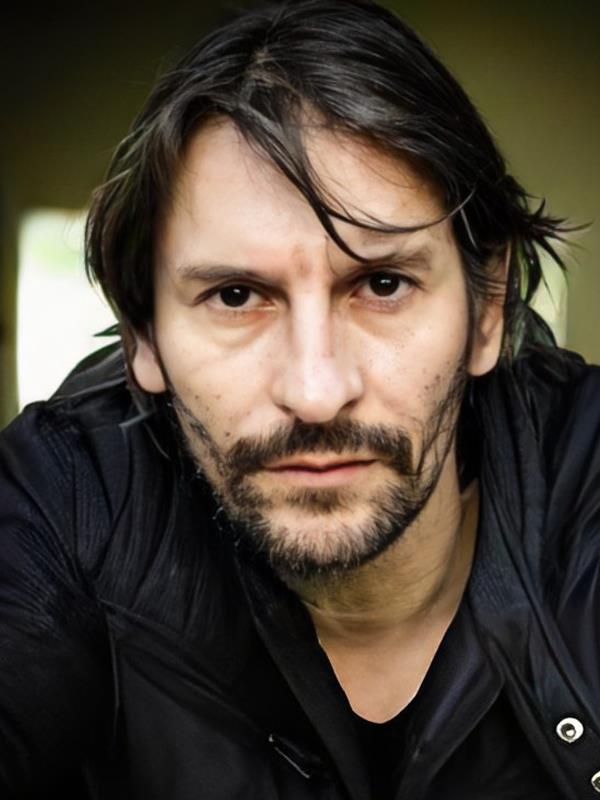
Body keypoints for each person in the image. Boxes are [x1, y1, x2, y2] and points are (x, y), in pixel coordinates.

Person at [0, 1, 598, 797]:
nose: (316, 392)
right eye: (237, 296)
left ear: (487, 311)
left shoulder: (587, 482)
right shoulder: (67, 499)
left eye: (382, 284)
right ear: (143, 333)